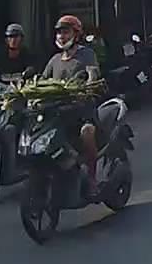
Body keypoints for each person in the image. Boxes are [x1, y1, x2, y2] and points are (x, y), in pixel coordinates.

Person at [40, 15, 104, 187]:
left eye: (66, 32)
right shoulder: (54, 60)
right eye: (59, 33)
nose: (61, 36)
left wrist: (88, 87)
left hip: (82, 110)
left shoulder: (86, 54)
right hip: (58, 112)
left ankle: (92, 178)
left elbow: (93, 73)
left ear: (76, 34)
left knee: (87, 133)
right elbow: (42, 81)